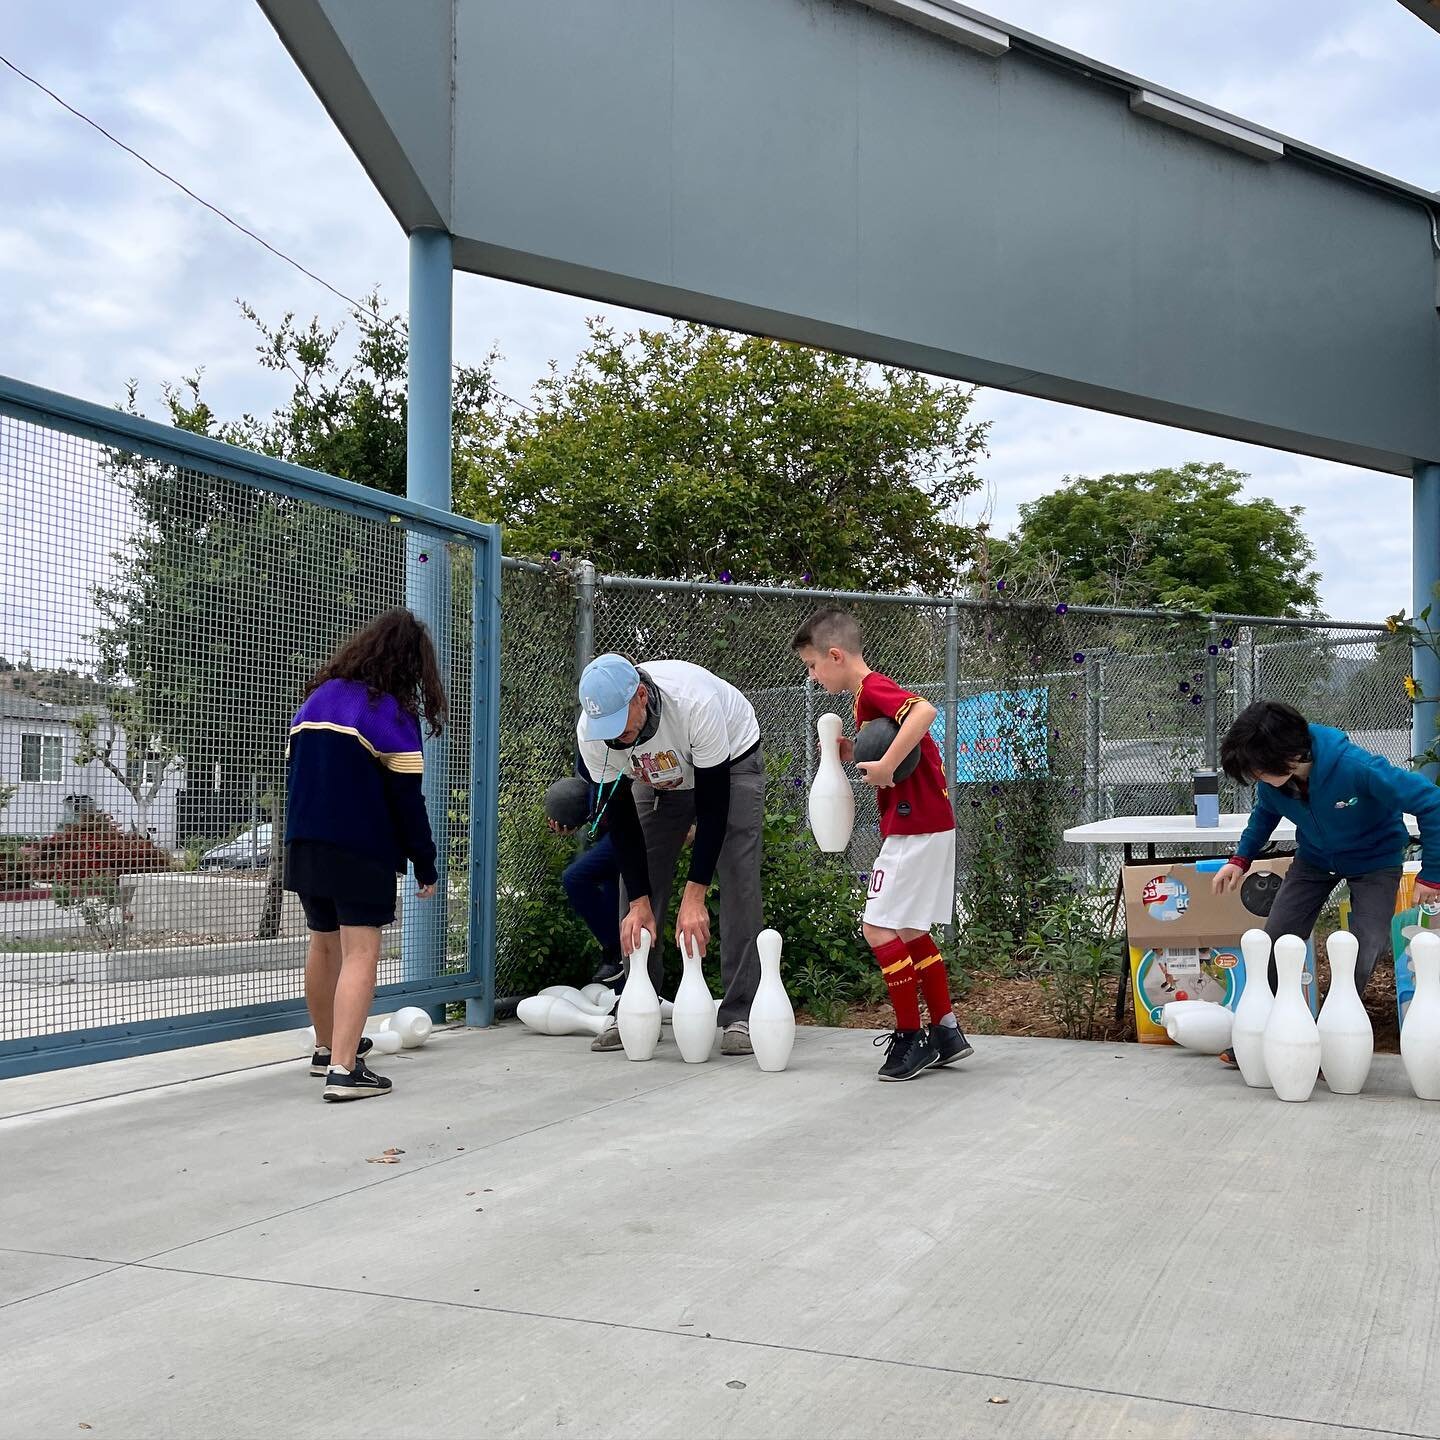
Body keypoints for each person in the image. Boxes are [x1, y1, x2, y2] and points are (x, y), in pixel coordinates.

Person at [792, 608, 973, 1081]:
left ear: (835, 655)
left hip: (915, 828)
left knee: (877, 928)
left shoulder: (872, 688)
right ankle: (947, 1031)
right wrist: (856, 752)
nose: (812, 676)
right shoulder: (863, 699)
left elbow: (924, 712)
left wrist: (888, 764)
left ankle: (912, 1039)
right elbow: (899, 739)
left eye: (813, 667)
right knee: (910, 928)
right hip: (930, 822)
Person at [1211, 699, 1440, 1067]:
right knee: (1274, 940)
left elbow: (1432, 802)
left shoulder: (1356, 768)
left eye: (1258, 770)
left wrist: (1433, 874)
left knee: (1363, 946)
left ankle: (1328, 1037)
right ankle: (1263, 1034)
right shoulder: (1274, 782)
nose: (1256, 779)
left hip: (1375, 862)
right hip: (1314, 860)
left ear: (1289, 756)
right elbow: (1265, 813)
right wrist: (1240, 859)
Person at [283, 608, 444, 1101]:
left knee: (323, 945)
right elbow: (406, 802)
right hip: (361, 849)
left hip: (304, 843)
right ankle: (345, 1071)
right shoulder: (389, 713)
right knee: (361, 951)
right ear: (408, 665)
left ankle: (326, 1049)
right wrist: (425, 861)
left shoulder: (316, 700)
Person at [575, 654, 764, 1055]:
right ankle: (637, 1001)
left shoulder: (694, 703)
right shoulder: (593, 735)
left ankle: (740, 1013)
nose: (613, 738)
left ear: (640, 696)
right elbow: (619, 818)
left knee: (738, 878)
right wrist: (641, 903)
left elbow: (714, 806)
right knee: (636, 890)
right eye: (604, 729)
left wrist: (695, 895)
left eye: (618, 724)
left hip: (730, 763)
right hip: (657, 776)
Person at [551, 754, 625, 986]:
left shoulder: (626, 740)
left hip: (630, 830)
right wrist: (575, 819)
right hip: (610, 833)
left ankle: (614, 951)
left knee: (575, 877)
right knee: (617, 911)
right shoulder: (588, 746)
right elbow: (596, 794)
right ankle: (622, 997)